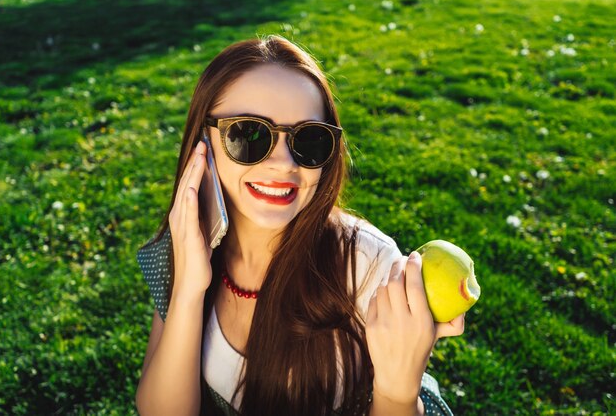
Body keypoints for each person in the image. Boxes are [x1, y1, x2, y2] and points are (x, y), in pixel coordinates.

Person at [134, 35, 465, 416]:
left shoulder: (368, 265)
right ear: (201, 143)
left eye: (309, 139)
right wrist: (189, 288)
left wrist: (396, 395)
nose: (283, 163)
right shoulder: (189, 240)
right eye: (248, 134)